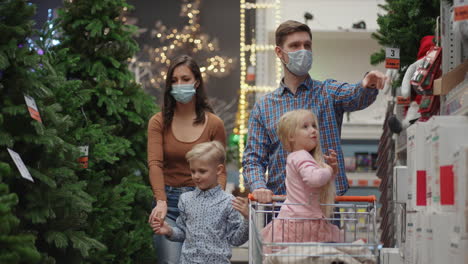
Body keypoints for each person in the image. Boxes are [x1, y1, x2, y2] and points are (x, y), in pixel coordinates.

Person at [243, 20, 388, 203]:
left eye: (307, 45)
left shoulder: (328, 92)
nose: (303, 51)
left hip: (326, 204)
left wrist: (368, 84)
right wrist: (258, 186)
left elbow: (355, 96)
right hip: (282, 205)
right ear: (280, 52)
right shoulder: (264, 107)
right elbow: (253, 158)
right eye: (295, 46)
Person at [147, 55, 227, 263]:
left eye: (185, 79)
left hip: (202, 204)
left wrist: (217, 204)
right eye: (174, 81)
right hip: (170, 205)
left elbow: (221, 170)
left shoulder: (214, 124)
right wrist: (160, 201)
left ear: (197, 82)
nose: (179, 85)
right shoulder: (158, 122)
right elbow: (155, 164)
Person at [151, 141, 250, 264]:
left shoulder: (229, 202)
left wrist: (247, 219)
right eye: (193, 171)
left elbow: (236, 240)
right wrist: (169, 231)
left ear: (218, 170)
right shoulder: (185, 199)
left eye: (202, 171)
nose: (196, 176)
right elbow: (184, 233)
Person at [261, 110, 343, 248]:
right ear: (291, 136)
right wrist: (328, 169)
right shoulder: (301, 156)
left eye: (314, 126)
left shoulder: (298, 156)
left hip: (298, 220)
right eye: (305, 127)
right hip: (301, 222)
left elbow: (315, 183)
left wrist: (331, 170)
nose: (313, 130)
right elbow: (315, 179)